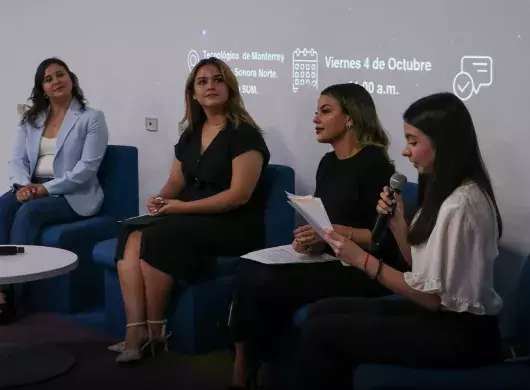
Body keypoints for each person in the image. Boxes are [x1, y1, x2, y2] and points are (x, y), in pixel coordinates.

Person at [298, 92, 504, 390]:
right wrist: (396, 224)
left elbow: (433, 298)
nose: (405, 152)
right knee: (321, 311)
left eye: (413, 141)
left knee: (322, 331)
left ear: (443, 143)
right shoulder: (442, 189)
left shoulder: (460, 205)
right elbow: (420, 268)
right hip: (438, 318)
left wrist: (363, 261)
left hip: (461, 335)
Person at [229, 83, 408, 389]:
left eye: (325, 111)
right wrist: (310, 238)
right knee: (249, 266)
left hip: (365, 266)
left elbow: (381, 238)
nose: (316, 119)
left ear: (350, 117)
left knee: (268, 283)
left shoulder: (374, 163)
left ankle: (260, 366)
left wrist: (335, 234)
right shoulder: (327, 163)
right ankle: (245, 359)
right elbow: (326, 221)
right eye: (317, 111)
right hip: (331, 257)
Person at [107, 57, 270, 363]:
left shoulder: (244, 134)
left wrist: (180, 207)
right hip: (193, 215)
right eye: (203, 81)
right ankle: (135, 330)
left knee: (161, 235)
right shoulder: (191, 134)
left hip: (233, 223)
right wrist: (160, 199)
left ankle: (156, 331)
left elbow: (238, 196)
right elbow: (175, 182)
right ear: (193, 94)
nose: (211, 86)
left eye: (218, 79)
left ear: (230, 88)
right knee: (130, 229)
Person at [0, 57, 109, 324]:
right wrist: (25, 186)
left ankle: (13, 293)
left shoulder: (91, 118)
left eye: (60, 74)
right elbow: (17, 160)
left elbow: (86, 169)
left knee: (28, 214)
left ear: (71, 79)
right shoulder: (32, 119)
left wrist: (44, 190)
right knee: (2, 208)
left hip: (72, 193)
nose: (55, 81)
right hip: (31, 185)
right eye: (48, 79)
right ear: (42, 88)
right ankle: (1, 287)